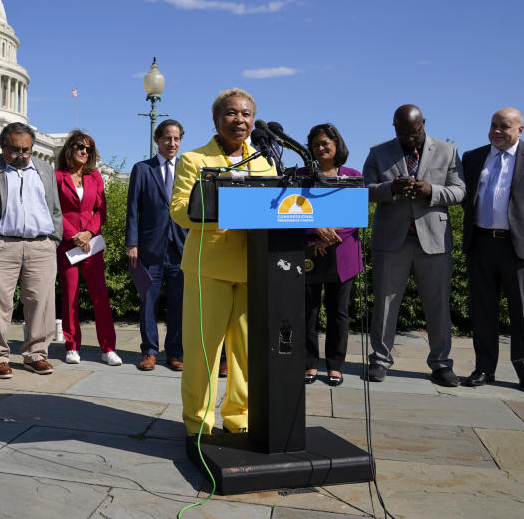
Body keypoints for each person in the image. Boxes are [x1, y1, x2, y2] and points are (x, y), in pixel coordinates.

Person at [170, 88, 276, 435]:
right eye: (231, 113)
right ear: (216, 120)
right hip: (208, 269)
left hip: (251, 269)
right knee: (203, 355)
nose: (240, 120)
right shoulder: (194, 160)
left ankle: (239, 417)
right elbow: (179, 212)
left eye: (246, 114)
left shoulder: (265, 163)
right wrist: (228, 210)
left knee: (246, 356)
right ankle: (198, 424)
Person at [461, 107, 524, 395]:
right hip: (481, 244)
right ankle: (484, 368)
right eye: (493, 125)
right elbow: (466, 198)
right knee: (482, 311)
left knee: (523, 313)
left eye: (504, 126)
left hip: (522, 249)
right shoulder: (472, 158)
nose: (496, 130)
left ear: (520, 130)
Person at [364, 104, 465, 386]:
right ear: (394, 128)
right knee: (384, 304)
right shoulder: (378, 152)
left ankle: (442, 364)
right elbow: (363, 189)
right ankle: (380, 360)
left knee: (438, 306)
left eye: (416, 131)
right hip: (391, 241)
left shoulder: (448, 150)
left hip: (433, 241)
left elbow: (460, 190)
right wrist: (389, 189)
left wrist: (431, 190)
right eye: (405, 133)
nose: (411, 137)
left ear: (424, 123)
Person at [0, 122, 63, 379]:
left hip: (40, 245)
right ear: (3, 146)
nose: (21, 155)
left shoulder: (44, 169)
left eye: (26, 150)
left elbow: (54, 208)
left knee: (41, 303)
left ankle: (36, 355)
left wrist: (54, 239)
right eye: (15, 150)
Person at [299, 124, 363, 387]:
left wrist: (330, 236)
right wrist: (315, 232)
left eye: (325, 143)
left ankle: (335, 366)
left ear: (337, 145)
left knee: (338, 312)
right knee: (308, 311)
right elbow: (290, 210)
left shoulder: (352, 175)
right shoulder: (300, 176)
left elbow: (355, 216)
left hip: (342, 252)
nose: (321, 148)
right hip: (309, 250)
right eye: (315, 144)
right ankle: (309, 363)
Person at [126, 119, 188, 372]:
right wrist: (132, 243)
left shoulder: (188, 169)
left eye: (176, 139)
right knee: (148, 303)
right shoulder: (142, 169)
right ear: (157, 140)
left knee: (178, 305)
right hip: (150, 247)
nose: (171, 143)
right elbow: (133, 210)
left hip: (181, 247)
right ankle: (149, 351)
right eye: (167, 138)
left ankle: (175, 352)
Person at [55, 130, 121, 366]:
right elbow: (54, 210)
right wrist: (73, 235)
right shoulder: (57, 176)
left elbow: (101, 209)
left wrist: (89, 232)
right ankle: (72, 346)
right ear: (69, 148)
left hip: (92, 244)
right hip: (67, 245)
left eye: (89, 149)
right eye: (80, 147)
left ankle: (108, 348)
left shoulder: (95, 177)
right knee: (70, 296)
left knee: (100, 297)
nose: (85, 152)